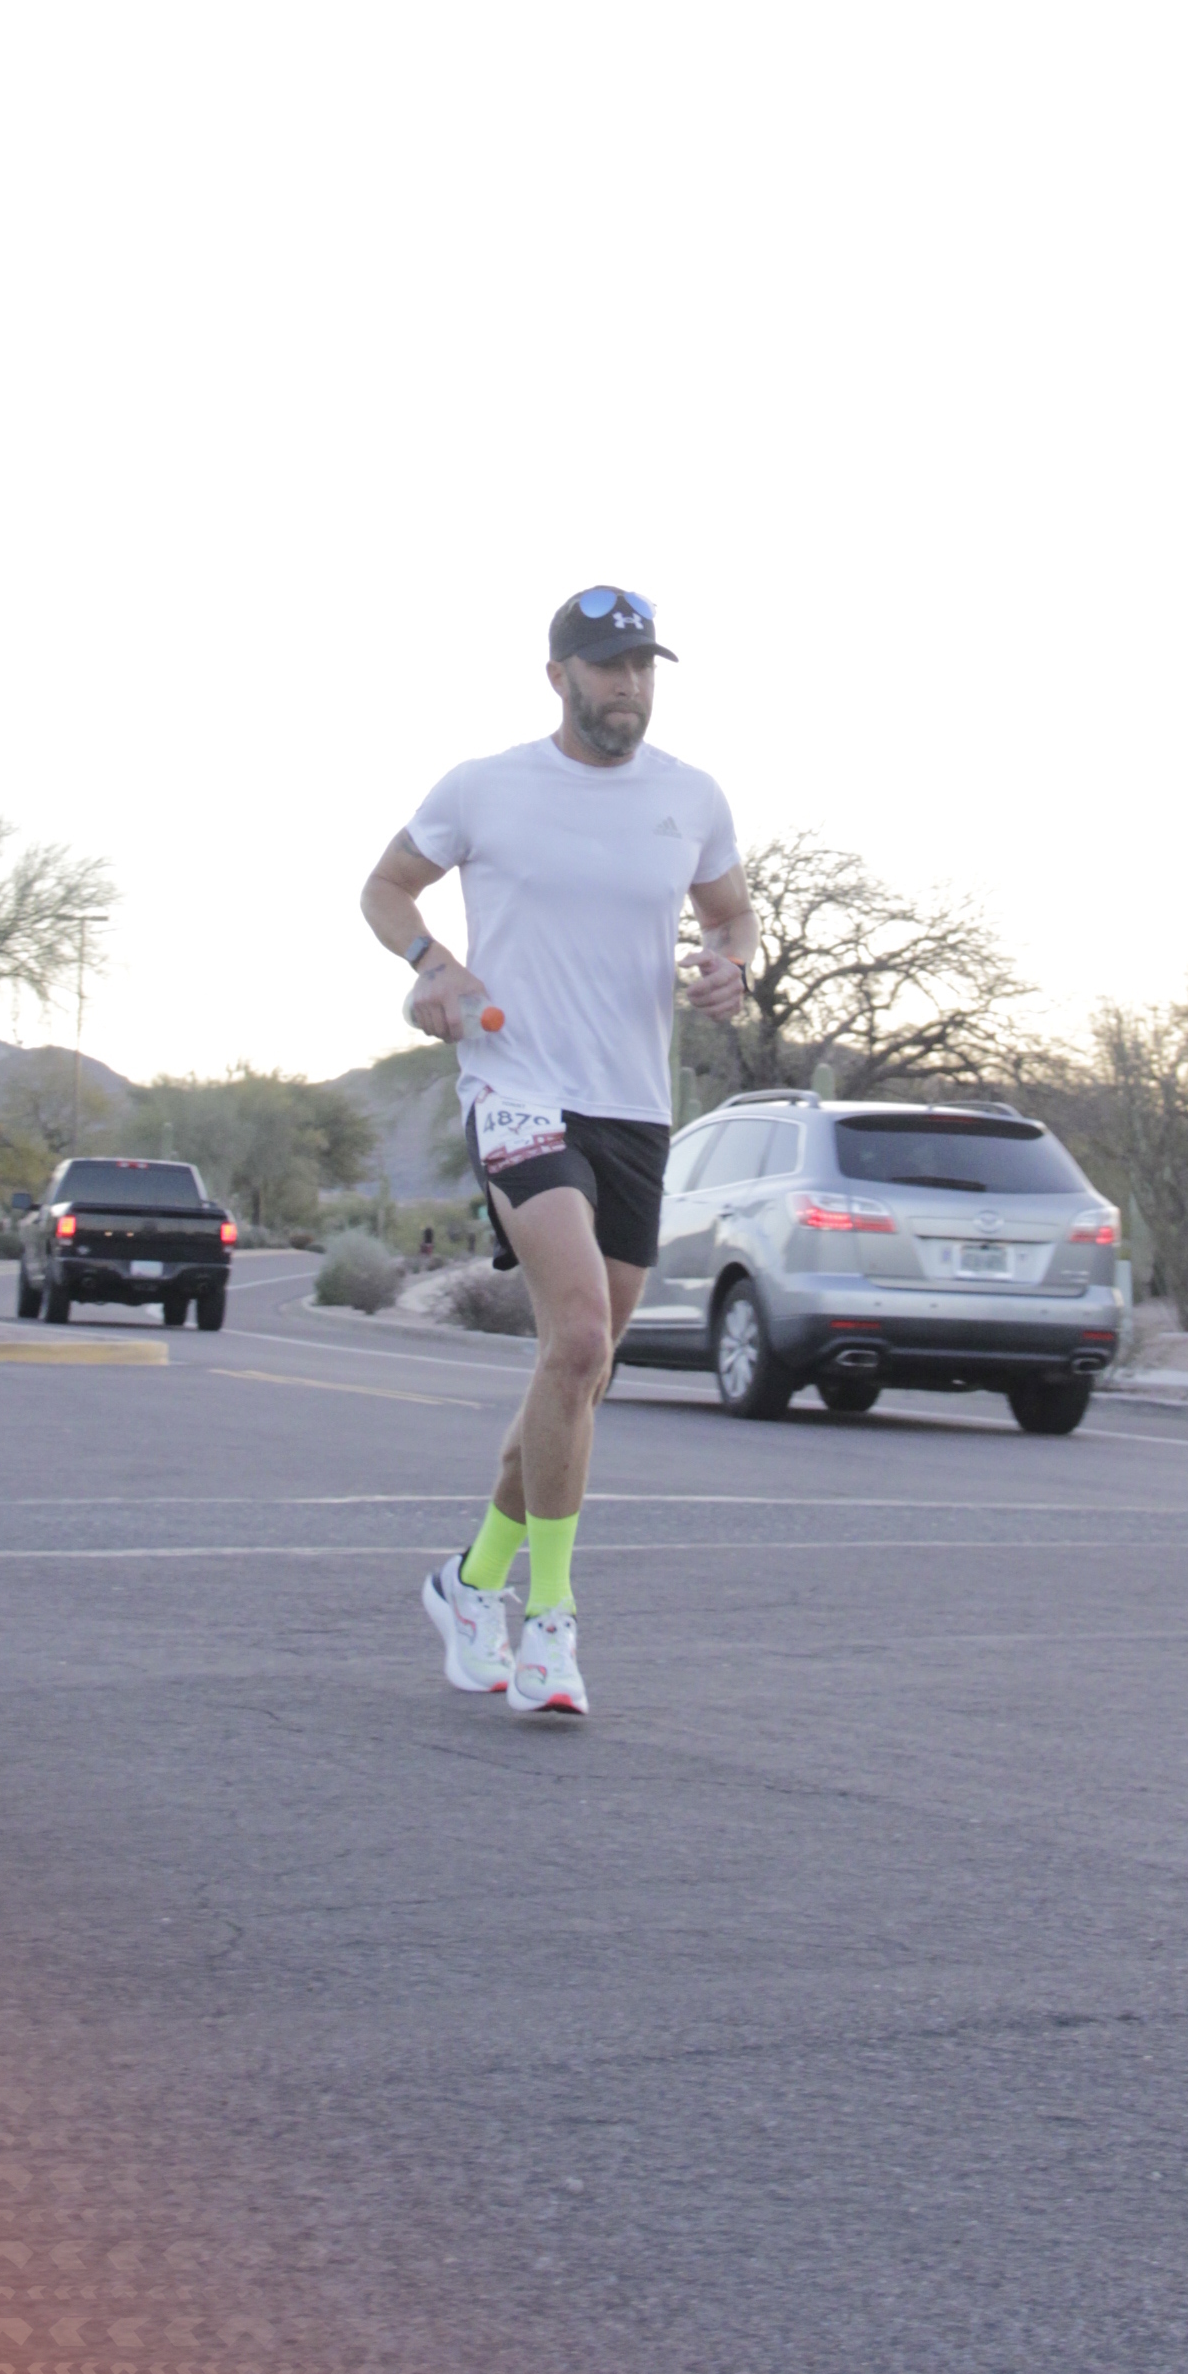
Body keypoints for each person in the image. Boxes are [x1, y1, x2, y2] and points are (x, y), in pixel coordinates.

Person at [362, 588, 753, 1717]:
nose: (628, 685)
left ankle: (470, 1579)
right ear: (558, 677)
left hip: (633, 1107)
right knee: (577, 1335)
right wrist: (433, 965)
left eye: (642, 667)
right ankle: (551, 1624)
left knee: (577, 1372)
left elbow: (731, 915)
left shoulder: (691, 797)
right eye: (607, 665)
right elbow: (385, 888)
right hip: (516, 1084)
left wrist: (733, 964)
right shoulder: (483, 787)